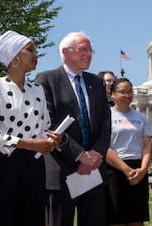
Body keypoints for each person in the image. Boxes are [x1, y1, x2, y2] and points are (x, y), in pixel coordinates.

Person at [0, 30, 61, 226]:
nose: (36, 55)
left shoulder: (38, 89)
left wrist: (51, 139)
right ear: (14, 56)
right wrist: (26, 143)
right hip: (3, 166)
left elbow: (45, 125)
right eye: (30, 50)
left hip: (34, 168)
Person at [35, 32, 111, 226]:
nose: (89, 54)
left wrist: (94, 155)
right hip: (61, 171)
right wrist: (79, 155)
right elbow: (48, 125)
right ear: (65, 52)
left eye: (90, 50)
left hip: (93, 171)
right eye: (83, 49)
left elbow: (105, 124)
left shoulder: (96, 82)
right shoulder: (46, 80)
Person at [104, 78, 152, 225]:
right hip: (114, 169)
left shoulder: (141, 118)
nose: (127, 95)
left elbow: (147, 145)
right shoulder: (106, 117)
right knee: (116, 218)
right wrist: (126, 170)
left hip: (138, 170)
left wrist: (143, 169)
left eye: (130, 91)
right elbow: (105, 147)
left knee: (137, 219)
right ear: (112, 94)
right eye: (122, 92)